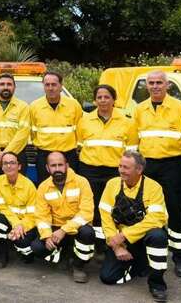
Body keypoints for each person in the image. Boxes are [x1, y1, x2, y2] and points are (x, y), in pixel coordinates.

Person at [133, 70, 181, 276]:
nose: (155, 86)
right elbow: (134, 141)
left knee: (175, 211)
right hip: (148, 165)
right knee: (146, 210)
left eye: (159, 82)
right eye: (151, 83)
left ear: (167, 85)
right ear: (146, 86)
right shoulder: (139, 109)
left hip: (173, 165)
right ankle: (147, 256)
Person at [99, 151, 169, 303]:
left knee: (158, 235)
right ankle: (140, 264)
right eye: (120, 166)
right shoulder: (112, 184)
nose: (121, 170)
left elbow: (156, 218)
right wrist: (116, 246)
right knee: (107, 277)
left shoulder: (153, 187)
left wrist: (124, 235)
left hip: (143, 238)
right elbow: (105, 217)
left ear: (139, 170)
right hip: (120, 241)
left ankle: (157, 284)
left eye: (126, 167)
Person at [75, 84, 137, 243]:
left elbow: (131, 153)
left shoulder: (127, 122)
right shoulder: (84, 121)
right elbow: (79, 147)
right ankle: (97, 242)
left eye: (107, 97)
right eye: (99, 97)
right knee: (93, 206)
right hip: (89, 171)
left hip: (115, 171)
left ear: (114, 100)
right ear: (94, 101)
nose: (103, 100)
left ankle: (114, 240)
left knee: (114, 206)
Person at [30, 151, 95, 283]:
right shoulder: (43, 187)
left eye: (60, 165)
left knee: (87, 233)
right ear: (47, 168)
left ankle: (78, 266)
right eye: (53, 166)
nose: (57, 169)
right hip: (56, 230)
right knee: (37, 247)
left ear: (67, 165)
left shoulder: (81, 182)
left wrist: (64, 230)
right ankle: (64, 255)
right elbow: (41, 216)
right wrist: (47, 236)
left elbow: (86, 213)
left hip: (77, 228)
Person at [29, 72, 83, 184]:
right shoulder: (34, 107)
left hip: (69, 155)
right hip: (44, 155)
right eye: (47, 85)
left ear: (61, 86)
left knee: (71, 185)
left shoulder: (74, 105)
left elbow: (81, 130)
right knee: (45, 186)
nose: (50, 88)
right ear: (43, 86)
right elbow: (32, 132)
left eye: (54, 84)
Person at [0, 151, 38, 268]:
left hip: (25, 224)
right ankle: (2, 254)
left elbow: (32, 215)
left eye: (12, 163)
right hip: (9, 220)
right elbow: (1, 208)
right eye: (5, 163)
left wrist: (21, 226)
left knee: (23, 245)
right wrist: (16, 224)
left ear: (19, 166)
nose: (9, 166)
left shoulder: (29, 186)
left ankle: (26, 253)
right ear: (2, 167)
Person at [0, 73, 30, 177]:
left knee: (17, 184)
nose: (5, 87)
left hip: (17, 154)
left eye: (9, 84)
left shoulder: (23, 107)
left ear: (14, 87)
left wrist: (5, 155)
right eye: (2, 84)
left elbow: (23, 134)